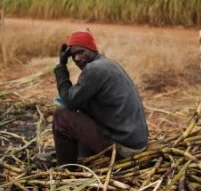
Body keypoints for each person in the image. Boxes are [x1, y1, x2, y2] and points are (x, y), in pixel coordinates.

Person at [52, 29, 148, 167]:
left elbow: (69, 101)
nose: (77, 59)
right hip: (134, 141)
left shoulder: (94, 69)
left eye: (81, 52)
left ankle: (65, 169)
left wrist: (61, 66)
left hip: (126, 147)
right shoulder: (107, 64)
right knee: (81, 112)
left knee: (61, 115)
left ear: (92, 49)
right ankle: (81, 157)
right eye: (73, 55)